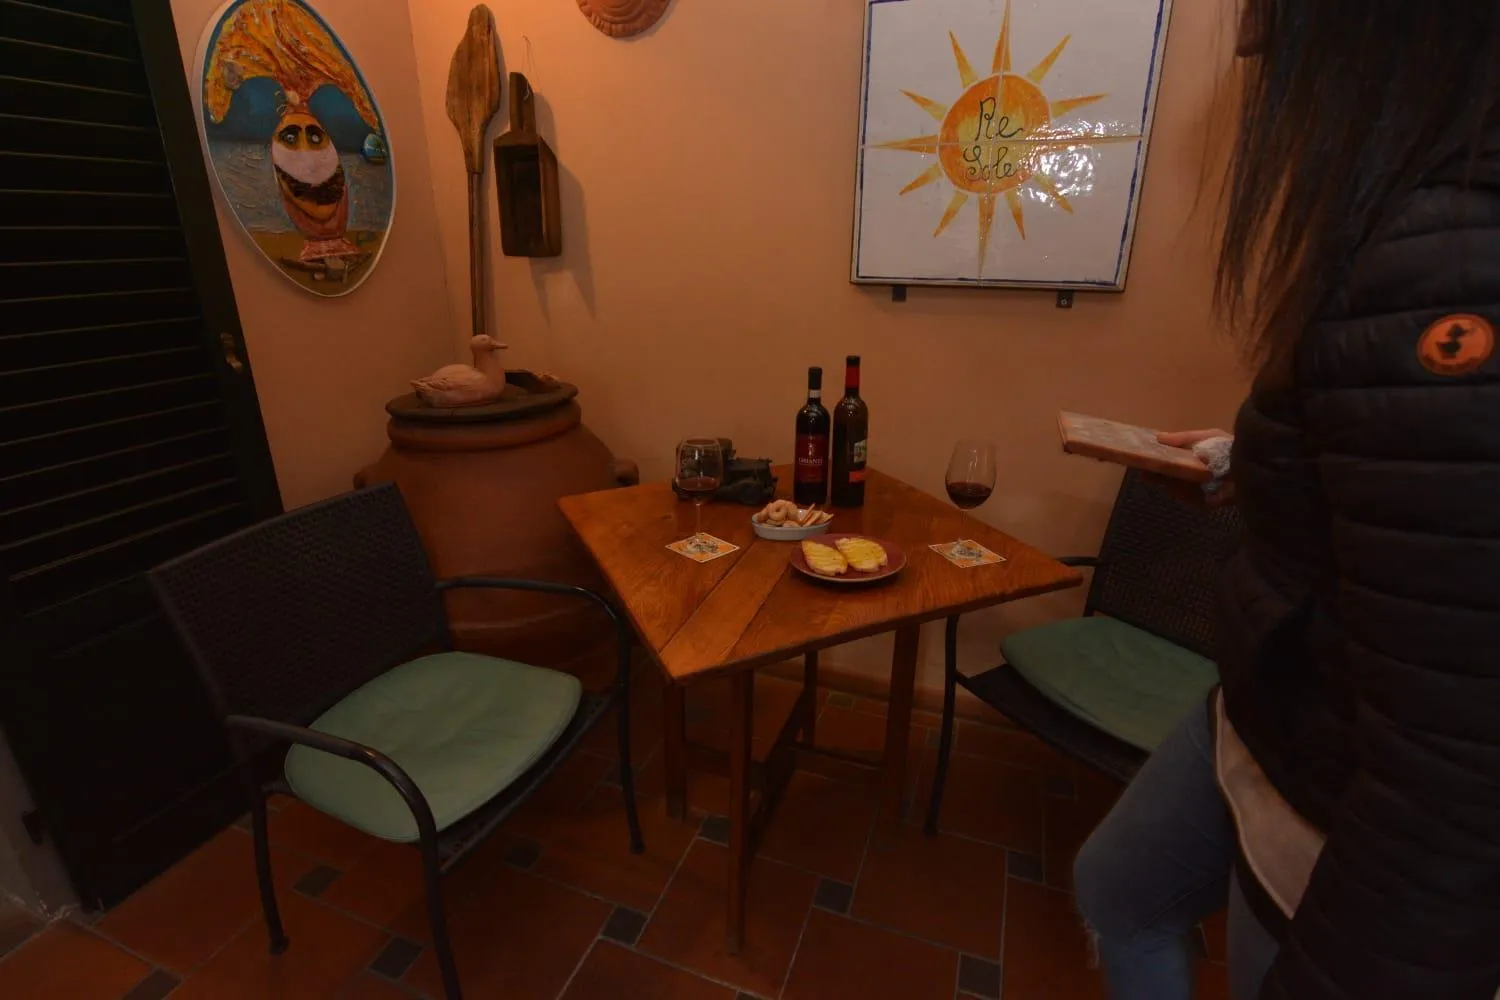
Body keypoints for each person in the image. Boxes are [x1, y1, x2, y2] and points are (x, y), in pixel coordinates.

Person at [1071, 0, 1500, 998]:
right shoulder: (1416, 234)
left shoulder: (1450, 260)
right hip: (1267, 706)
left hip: (1332, 809)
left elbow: (1458, 763)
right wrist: (1237, 462)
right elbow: (1401, 487)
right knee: (1118, 886)